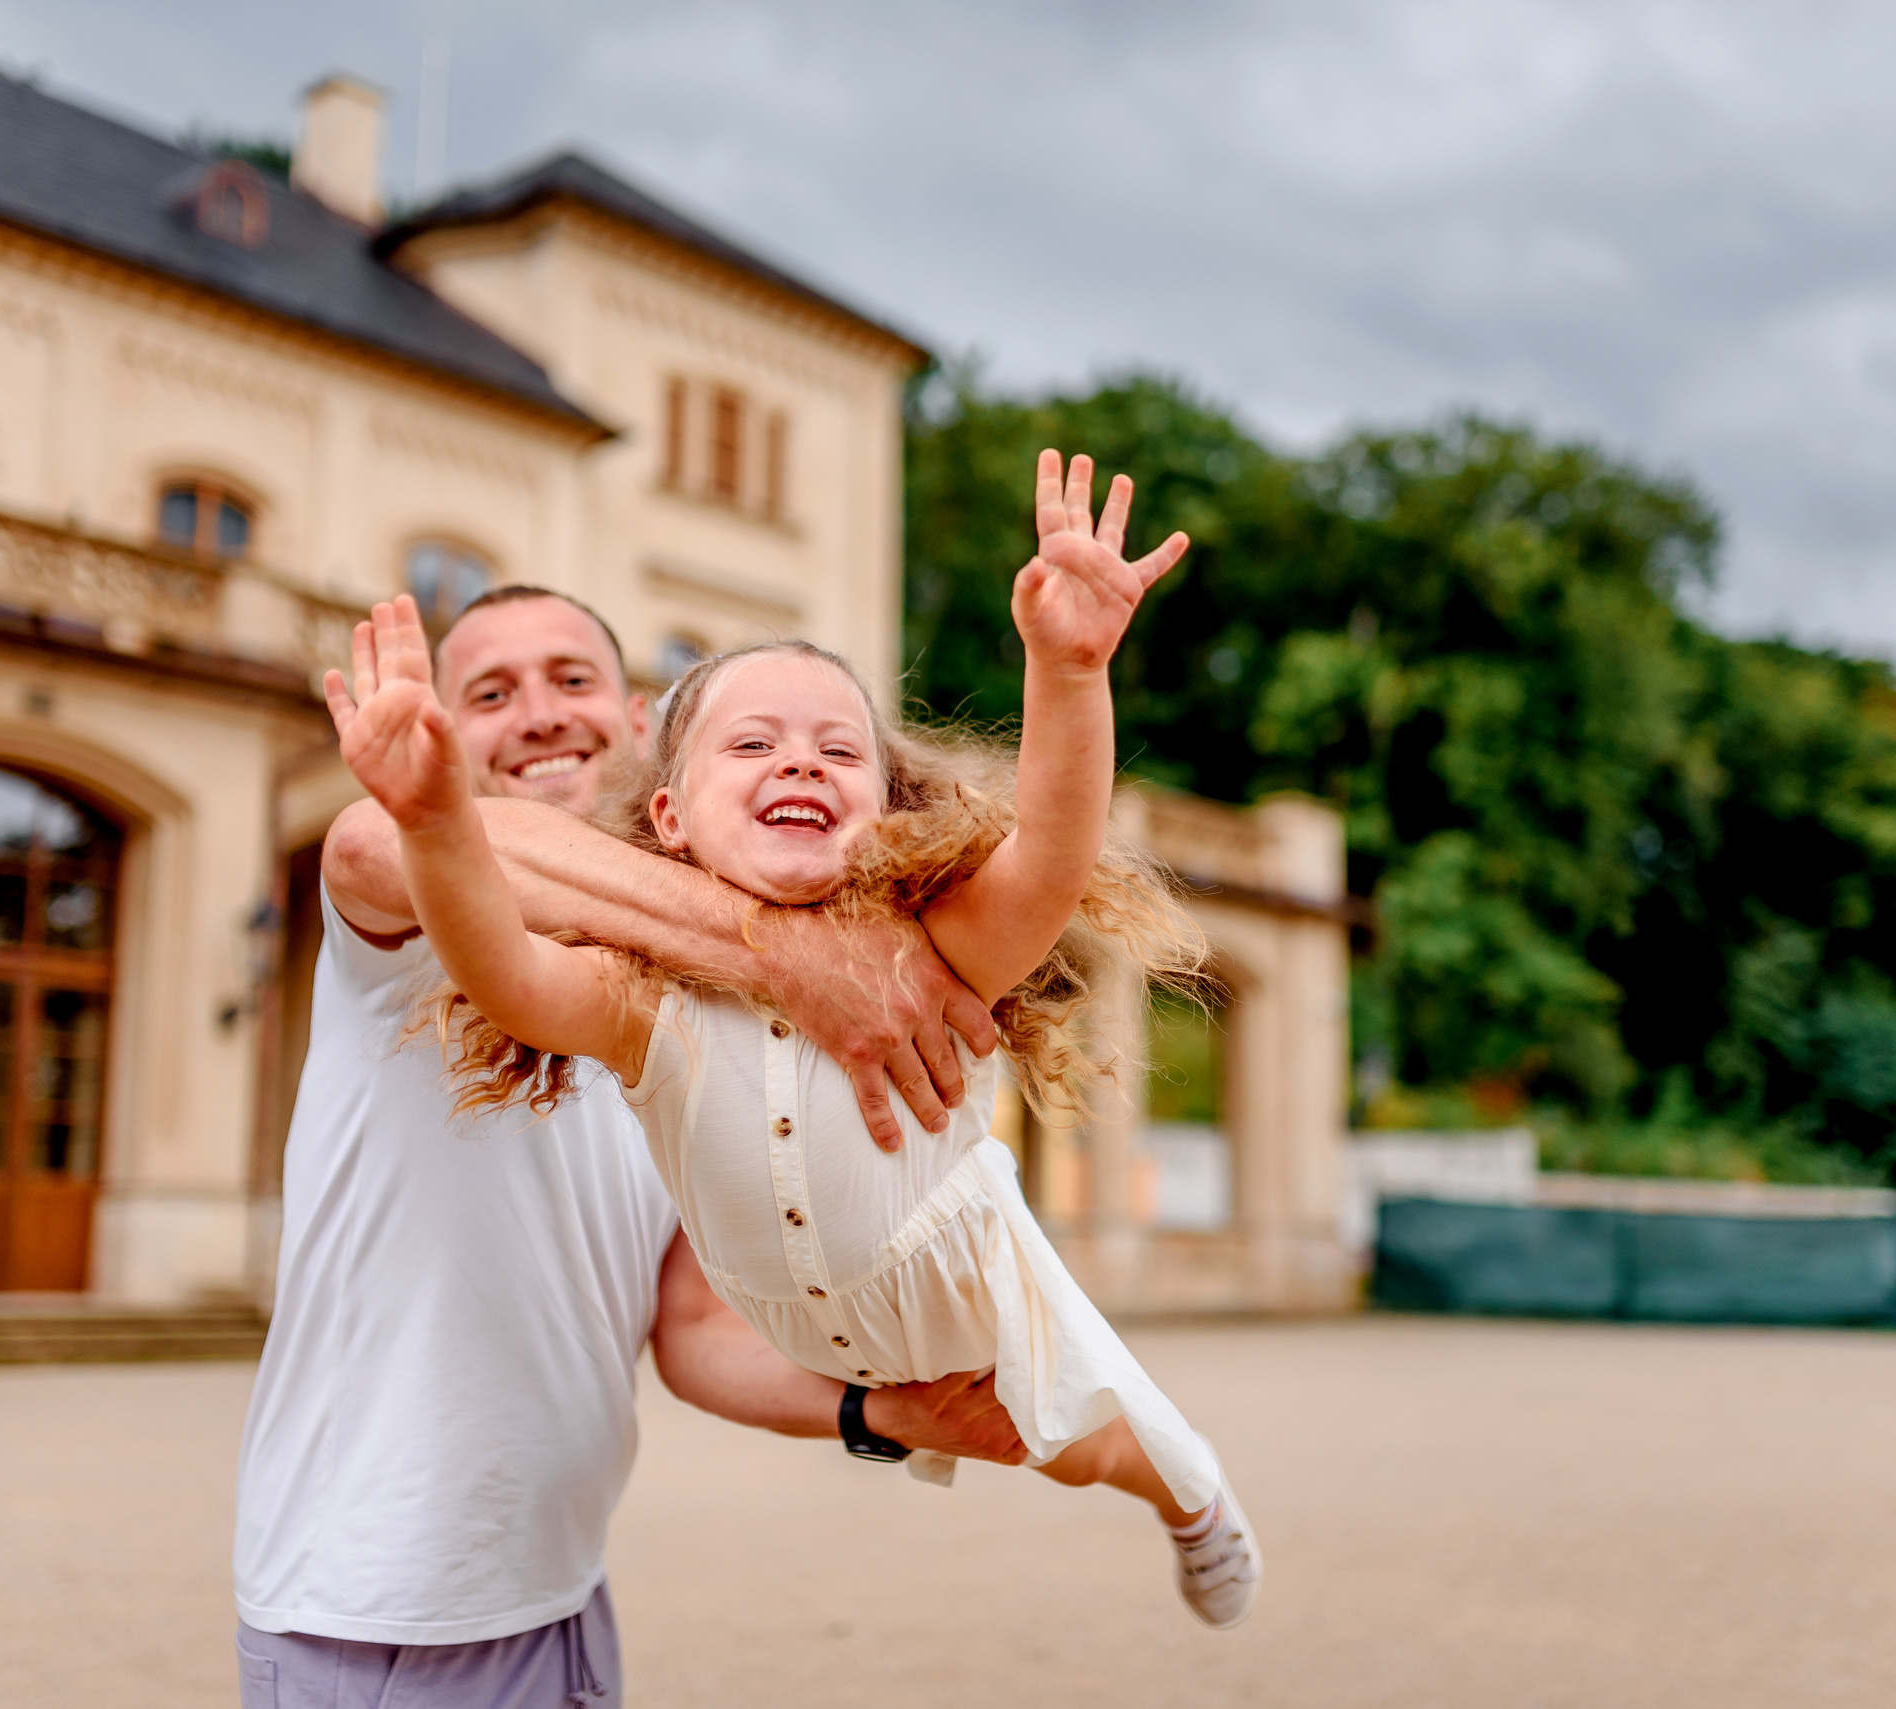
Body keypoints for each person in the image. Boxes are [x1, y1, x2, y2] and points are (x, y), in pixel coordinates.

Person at [332, 450, 1263, 1631]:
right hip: (810, 1327)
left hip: (963, 1265)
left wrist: (1068, 670)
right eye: (753, 745)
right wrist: (434, 823)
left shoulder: (935, 951)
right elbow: (506, 975)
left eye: (836, 750)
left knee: (1081, 1433)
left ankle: (1196, 1506)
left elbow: (1052, 851)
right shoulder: (643, 1001)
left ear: (887, 803)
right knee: (1042, 1425)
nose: (798, 764)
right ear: (666, 819)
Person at [235, 584, 1031, 1708]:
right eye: (491, 693)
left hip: (561, 1592)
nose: (541, 712)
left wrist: (880, 1408)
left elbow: (693, 1326)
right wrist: (792, 957)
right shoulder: (416, 920)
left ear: (642, 723)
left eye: (571, 678)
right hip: (375, 1604)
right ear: (446, 739)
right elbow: (372, 841)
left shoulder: (677, 1006)